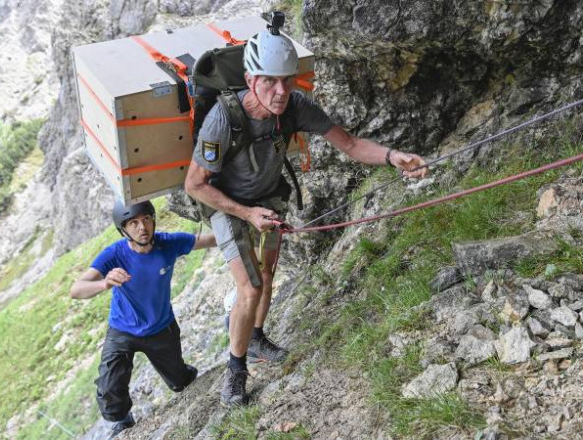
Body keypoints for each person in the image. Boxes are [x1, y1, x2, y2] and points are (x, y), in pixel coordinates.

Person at [184, 28, 428, 407]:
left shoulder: (297, 107)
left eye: (287, 80)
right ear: (251, 79)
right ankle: (236, 371)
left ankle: (257, 337)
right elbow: (195, 184)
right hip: (227, 203)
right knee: (248, 287)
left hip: (268, 198)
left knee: (265, 275)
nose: (280, 91)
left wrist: (394, 157)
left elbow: (349, 144)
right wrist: (247, 213)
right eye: (269, 81)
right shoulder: (223, 118)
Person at [70, 199, 216, 437]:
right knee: (109, 387)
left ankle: (185, 374)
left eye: (146, 219)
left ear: (153, 219)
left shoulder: (169, 243)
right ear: (123, 229)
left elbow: (209, 240)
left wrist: (246, 223)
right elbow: (76, 289)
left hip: (161, 327)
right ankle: (123, 420)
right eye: (134, 223)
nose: (142, 227)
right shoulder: (114, 254)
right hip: (122, 330)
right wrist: (105, 282)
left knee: (180, 382)